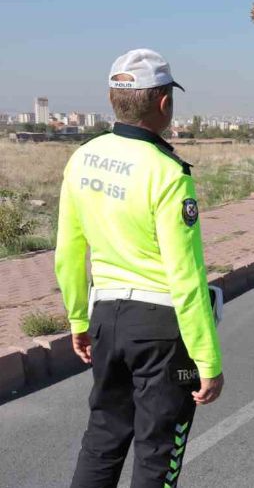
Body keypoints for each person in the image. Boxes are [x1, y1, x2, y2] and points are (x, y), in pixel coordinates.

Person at [55, 49, 223, 488]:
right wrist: (207, 358)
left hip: (105, 320)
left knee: (103, 438)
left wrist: (77, 318)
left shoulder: (82, 159)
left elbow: (68, 252)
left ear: (114, 100)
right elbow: (185, 277)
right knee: (158, 450)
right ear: (164, 103)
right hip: (162, 330)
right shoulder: (168, 173)